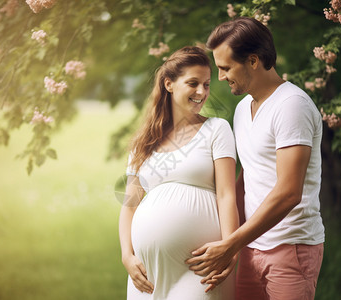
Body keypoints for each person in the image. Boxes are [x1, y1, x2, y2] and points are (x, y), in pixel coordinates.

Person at [185, 17, 325, 300]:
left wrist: (231, 244)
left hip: (290, 247)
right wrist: (230, 239)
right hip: (250, 246)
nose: (221, 77)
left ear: (253, 60)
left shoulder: (291, 106)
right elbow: (247, 176)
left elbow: (288, 193)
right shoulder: (242, 108)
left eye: (225, 68)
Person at [119, 46, 239, 299]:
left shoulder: (217, 129)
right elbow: (129, 205)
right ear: (169, 84)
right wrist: (127, 256)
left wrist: (231, 249)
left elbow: (227, 195)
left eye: (206, 85)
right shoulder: (144, 142)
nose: (201, 92)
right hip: (146, 273)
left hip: (200, 269)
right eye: (193, 83)